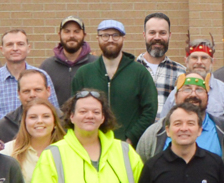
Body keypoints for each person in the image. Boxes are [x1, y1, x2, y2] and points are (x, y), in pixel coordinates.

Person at [72, 19, 159, 148]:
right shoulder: (84, 73)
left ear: (123, 38)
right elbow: (73, 109)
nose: (110, 40)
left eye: (115, 35)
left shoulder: (139, 72)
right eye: (105, 35)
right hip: (90, 146)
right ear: (98, 38)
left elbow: (150, 109)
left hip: (129, 148)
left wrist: (131, 138)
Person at [0, 28, 55, 128]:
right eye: (9, 45)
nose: (15, 48)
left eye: (20, 44)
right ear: (2, 50)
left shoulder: (42, 76)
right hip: (1, 141)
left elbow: (54, 111)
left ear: (28, 48)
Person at [137, 12, 188, 114]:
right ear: (144, 35)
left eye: (162, 33)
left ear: (169, 35)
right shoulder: (130, 70)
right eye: (152, 33)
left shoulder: (182, 73)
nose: (157, 37)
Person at [0, 68, 54, 142]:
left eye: (37, 90)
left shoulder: (63, 122)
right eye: (26, 91)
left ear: (48, 91)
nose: (32, 95)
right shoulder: (4, 127)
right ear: (19, 94)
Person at [45, 15, 94, 102]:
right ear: (60, 34)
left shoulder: (96, 65)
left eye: (76, 31)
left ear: (84, 35)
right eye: (67, 31)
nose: (71, 35)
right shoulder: (47, 67)